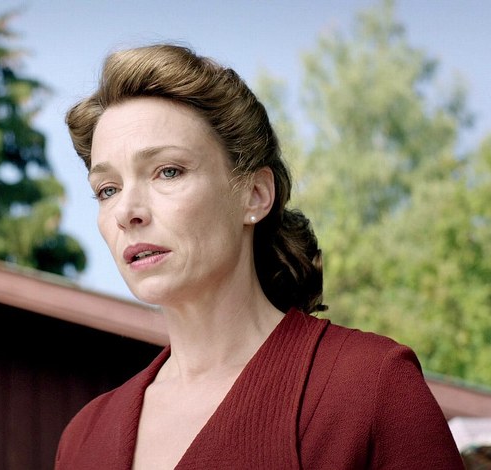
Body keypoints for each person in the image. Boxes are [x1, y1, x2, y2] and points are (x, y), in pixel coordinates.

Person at [55, 43, 463, 469]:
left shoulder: (370, 387)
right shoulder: (84, 438)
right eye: (108, 189)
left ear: (254, 194)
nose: (127, 212)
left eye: (168, 171)